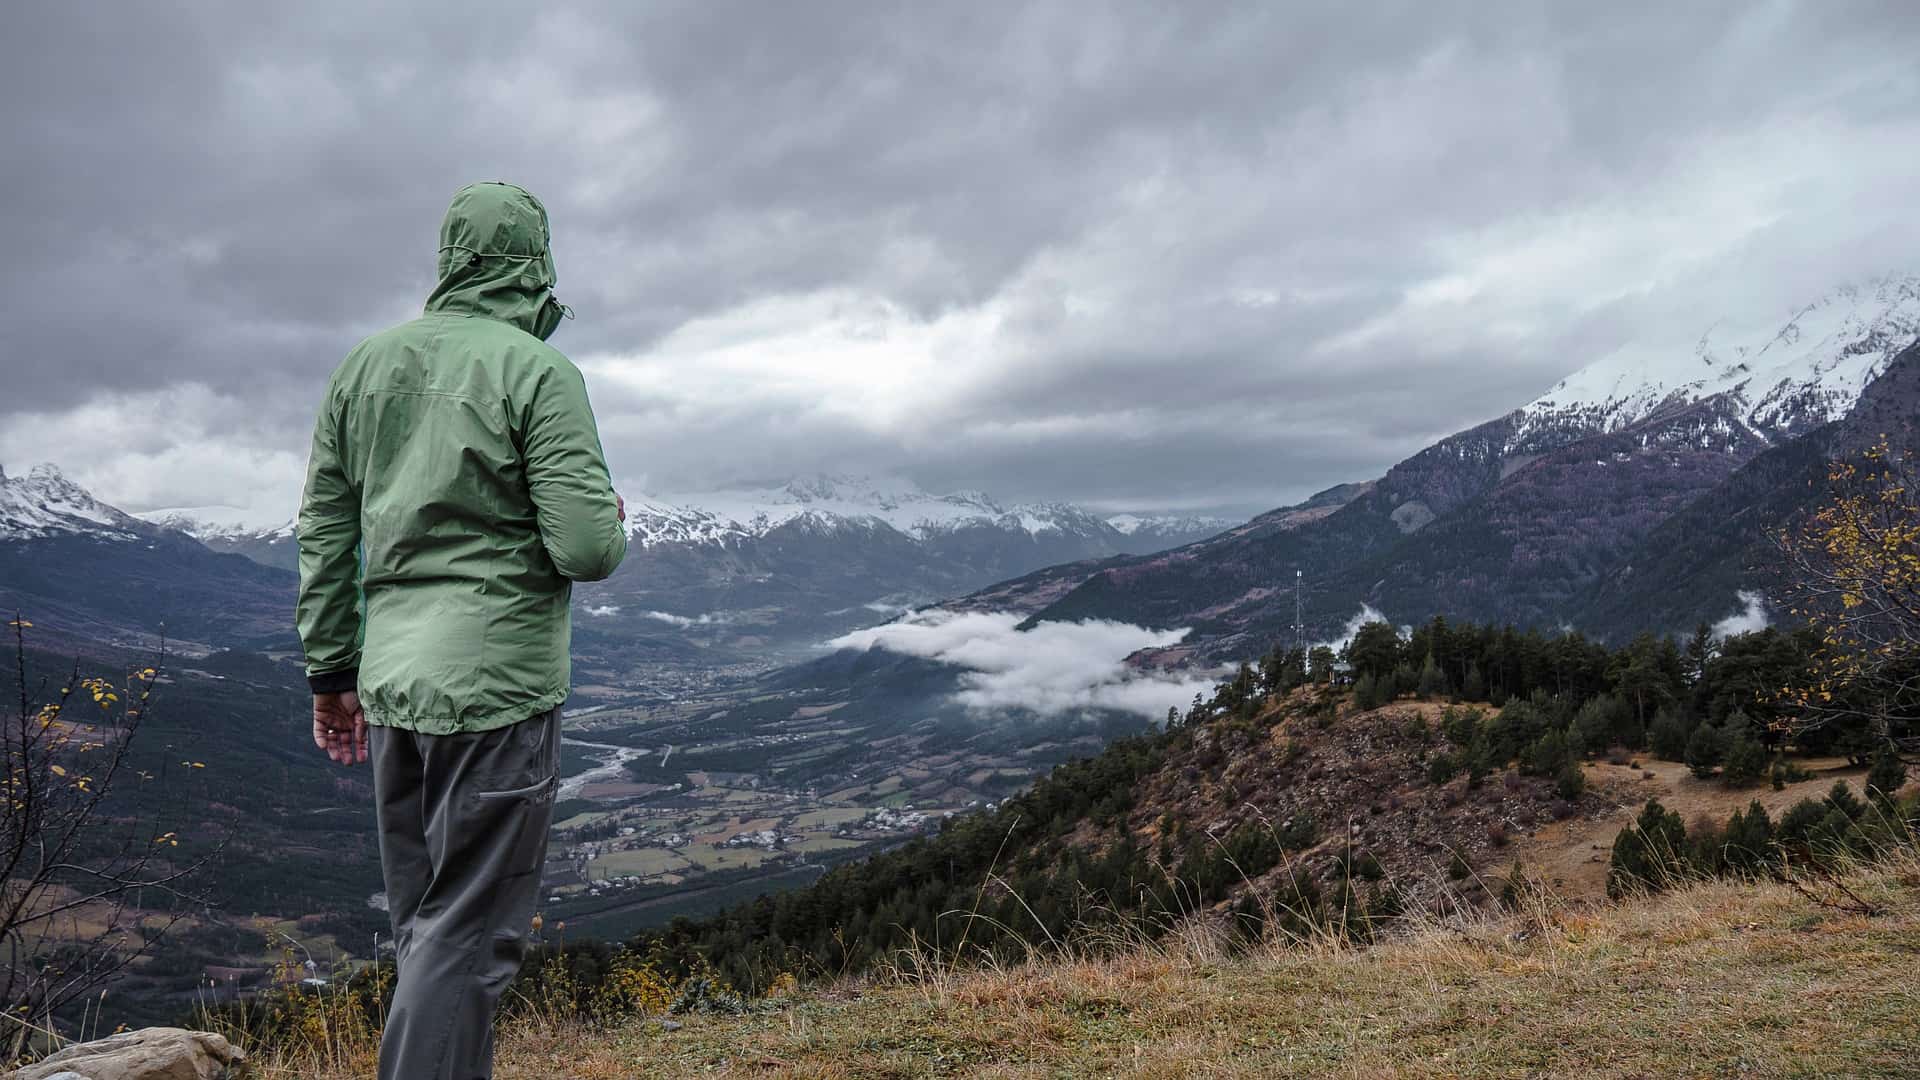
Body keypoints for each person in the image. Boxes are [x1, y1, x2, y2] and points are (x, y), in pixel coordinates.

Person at [295, 182, 627, 1080]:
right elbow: (589, 548)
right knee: (469, 942)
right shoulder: (535, 370)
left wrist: (332, 675)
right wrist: (610, 514)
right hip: (494, 694)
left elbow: (325, 534)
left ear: (449, 260)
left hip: (393, 691)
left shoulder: (363, 370)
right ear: (538, 264)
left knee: (428, 932)